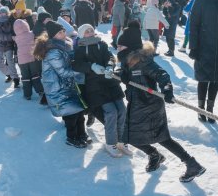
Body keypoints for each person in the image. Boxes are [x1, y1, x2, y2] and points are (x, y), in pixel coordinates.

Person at [116, 28, 206, 182]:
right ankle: (154, 155)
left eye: (120, 46)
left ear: (129, 47)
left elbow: (162, 74)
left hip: (150, 105)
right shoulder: (126, 61)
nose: (117, 48)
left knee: (162, 138)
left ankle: (192, 164)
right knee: (131, 136)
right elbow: (122, 71)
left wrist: (167, 89)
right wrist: (119, 74)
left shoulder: (142, 60)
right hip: (136, 105)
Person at [72, 23, 129, 157]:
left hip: (110, 82)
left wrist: (110, 66)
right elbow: (76, 64)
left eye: (91, 30)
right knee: (111, 112)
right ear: (81, 35)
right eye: (87, 31)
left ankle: (122, 141)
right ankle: (111, 143)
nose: (90, 32)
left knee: (122, 110)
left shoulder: (101, 44)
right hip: (94, 86)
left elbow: (110, 57)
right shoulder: (80, 48)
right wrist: (91, 66)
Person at [33, 21, 88, 148]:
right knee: (71, 114)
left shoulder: (62, 45)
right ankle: (71, 137)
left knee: (79, 111)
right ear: (53, 36)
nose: (63, 34)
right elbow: (63, 72)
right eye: (60, 32)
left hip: (66, 85)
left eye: (63, 31)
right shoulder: (53, 51)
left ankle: (82, 134)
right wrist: (83, 70)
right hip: (58, 87)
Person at [13, 19, 43, 100]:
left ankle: (27, 95)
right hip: (32, 58)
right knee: (35, 75)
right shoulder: (31, 34)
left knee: (25, 77)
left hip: (22, 61)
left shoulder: (16, 38)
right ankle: (40, 91)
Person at [0, 6, 20, 88]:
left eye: (4, 13)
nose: (2, 14)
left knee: (10, 61)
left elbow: (14, 32)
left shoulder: (11, 21)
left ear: (7, 13)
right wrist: (10, 37)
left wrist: (11, 37)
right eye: (1, 13)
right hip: (0, 44)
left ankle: (16, 79)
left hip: (9, 45)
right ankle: (10, 74)